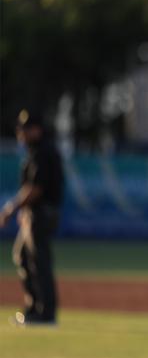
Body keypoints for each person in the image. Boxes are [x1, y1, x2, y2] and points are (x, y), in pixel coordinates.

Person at [0, 109, 64, 326]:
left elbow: (36, 188)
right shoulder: (37, 150)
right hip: (36, 213)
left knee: (39, 261)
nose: (21, 133)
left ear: (36, 130)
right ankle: (35, 308)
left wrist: (12, 208)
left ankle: (45, 313)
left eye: (25, 129)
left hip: (42, 213)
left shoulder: (43, 152)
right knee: (24, 255)